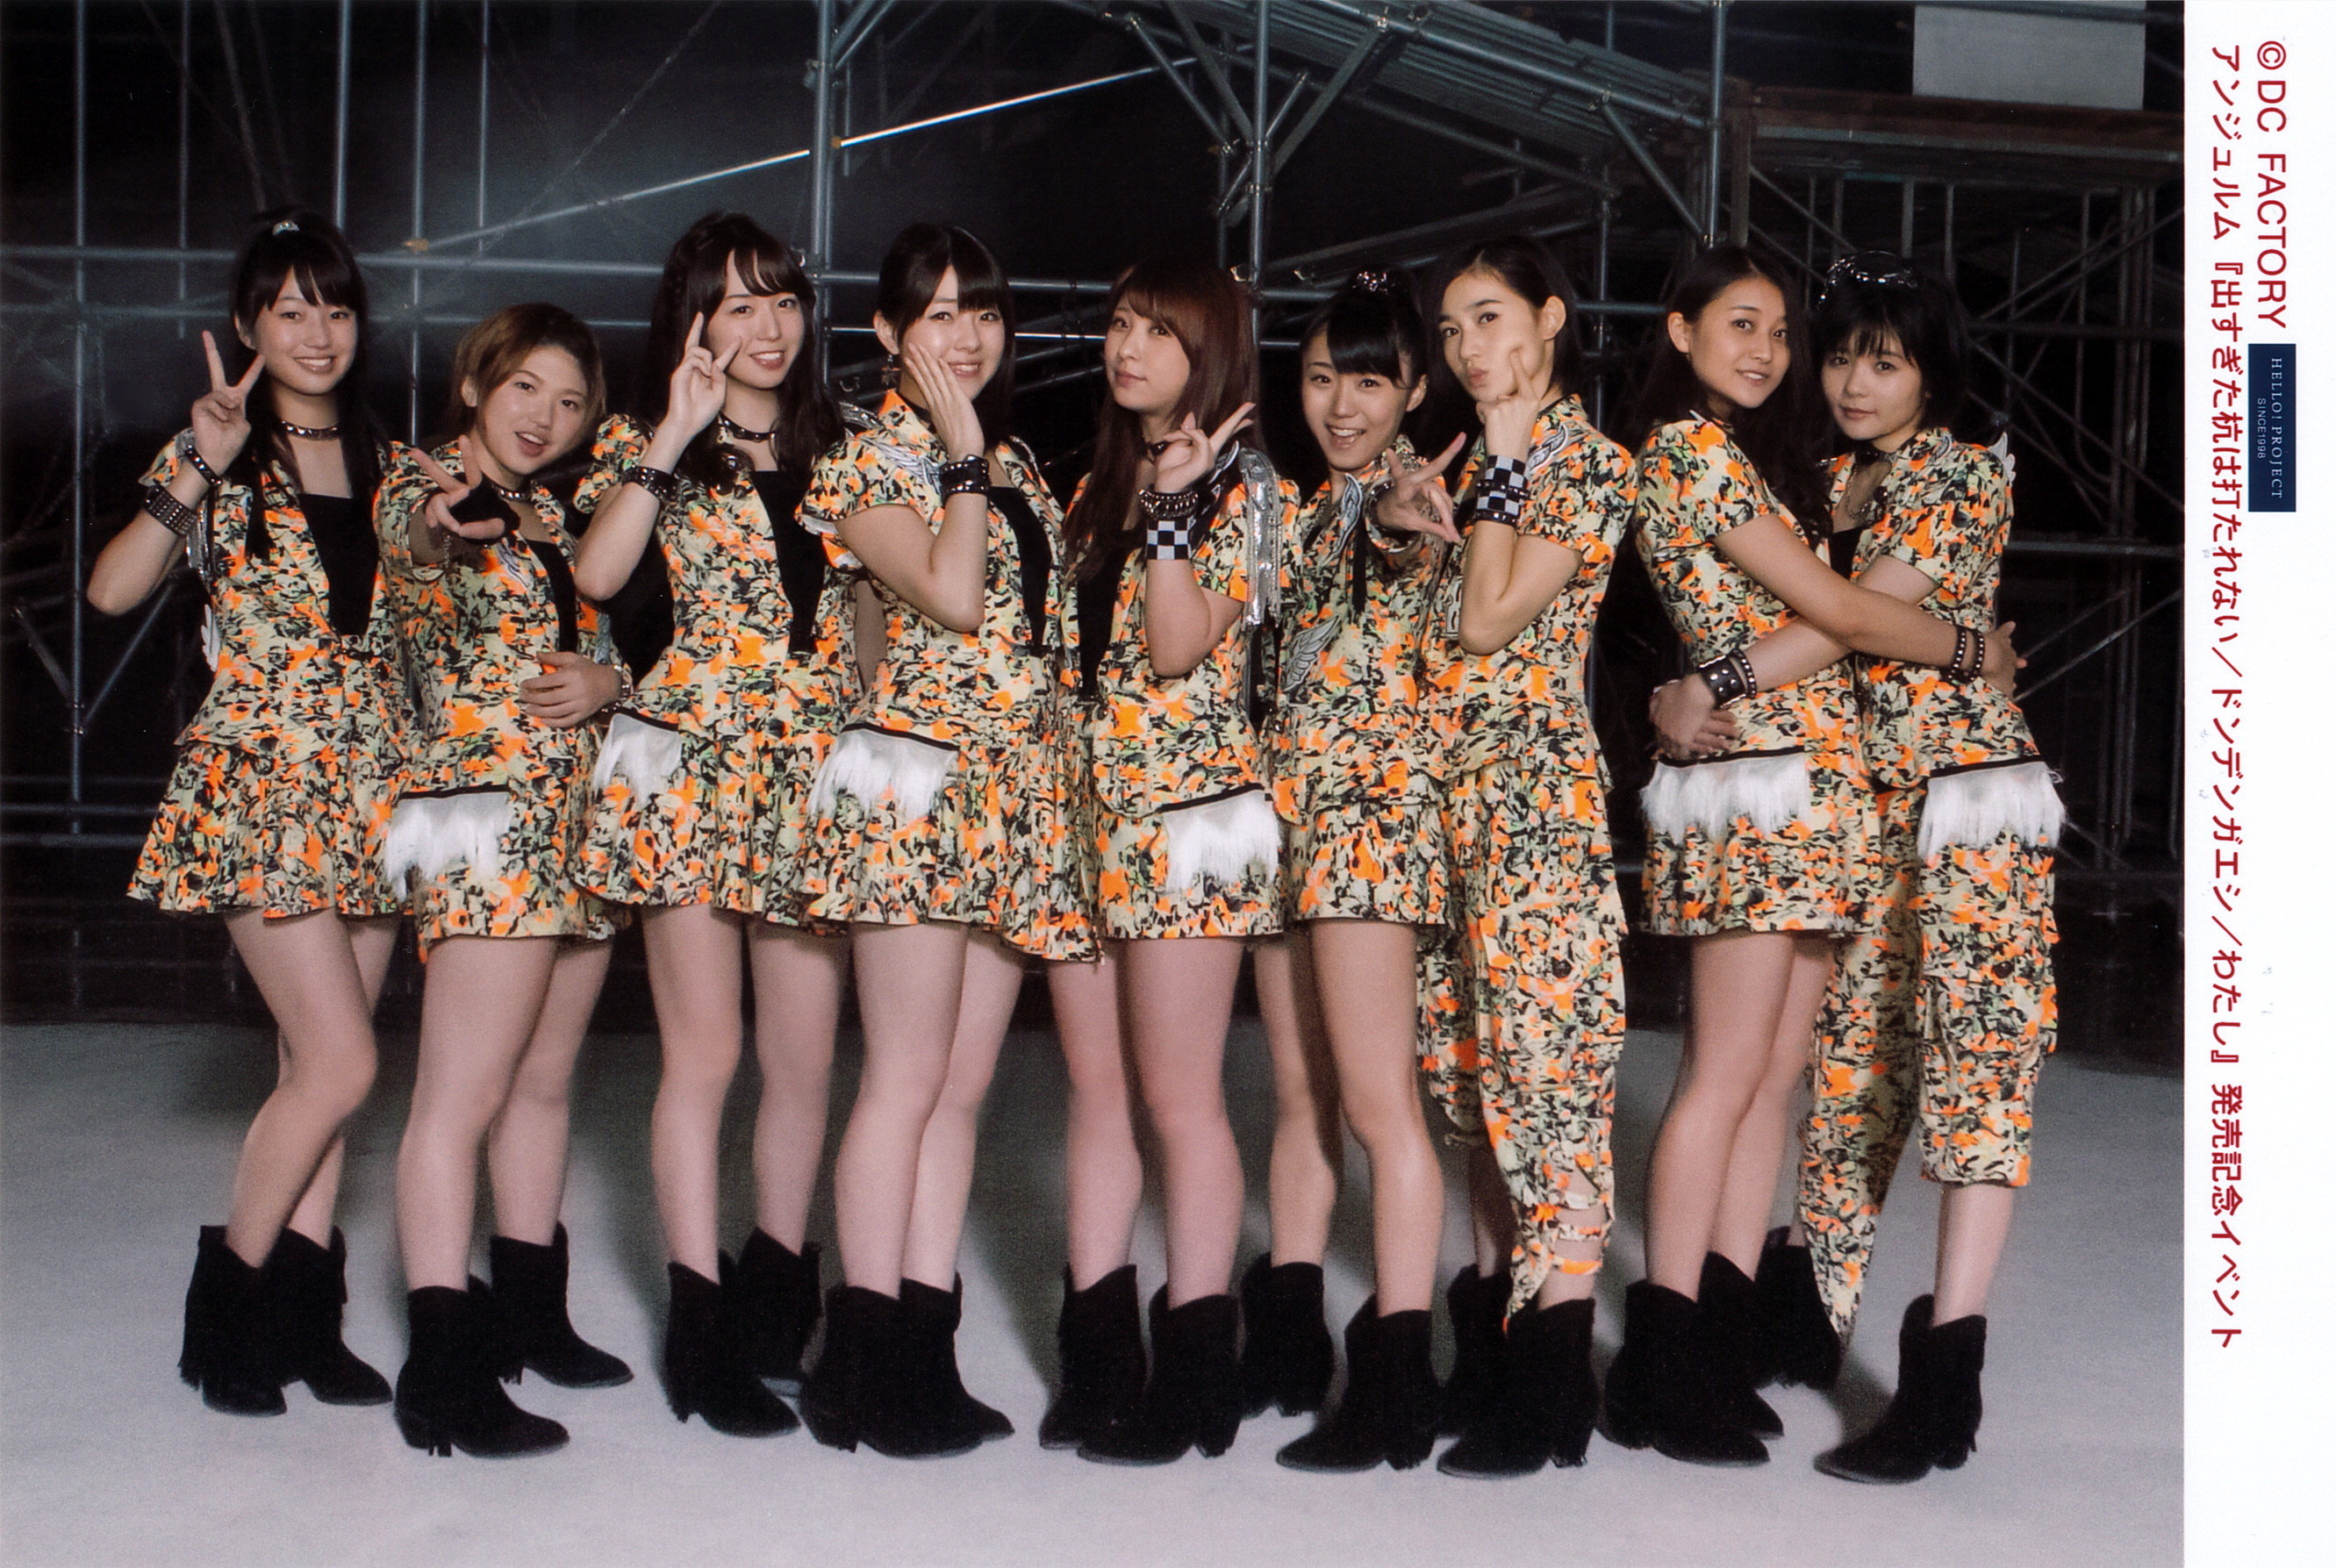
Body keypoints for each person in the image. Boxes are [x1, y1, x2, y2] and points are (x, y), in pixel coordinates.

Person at [1652, 253, 2057, 1482]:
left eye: (1885, 362)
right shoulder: (1825, 476)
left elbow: (1852, 620)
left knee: (1975, 1075)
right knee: (1849, 1077)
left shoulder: (1962, 467)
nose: (1853, 383)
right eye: (1839, 357)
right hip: (1861, 810)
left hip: (1968, 802)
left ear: (1933, 371)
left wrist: (1708, 684)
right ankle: (1798, 1321)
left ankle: (1945, 1383)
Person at [90, 210, 401, 1420]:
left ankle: (302, 1327)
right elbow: (113, 589)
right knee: (341, 1062)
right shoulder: (220, 452)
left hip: (375, 788)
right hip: (263, 786)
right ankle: (224, 1309)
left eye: (337, 308)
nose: (318, 333)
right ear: (246, 325)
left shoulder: (389, 462)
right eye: (290, 309)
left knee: (317, 1068)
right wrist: (197, 465)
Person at [792, 223, 1089, 1458]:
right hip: (914, 793)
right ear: (887, 333)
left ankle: (922, 1350)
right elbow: (951, 598)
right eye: (940, 314)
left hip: (1012, 794)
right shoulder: (867, 460)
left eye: (986, 313)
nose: (967, 337)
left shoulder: (1013, 460)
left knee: (961, 1089)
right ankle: (858, 1366)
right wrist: (962, 459)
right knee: (904, 1077)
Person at [570, 212, 856, 1436]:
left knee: (804, 1060)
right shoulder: (646, 444)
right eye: (739, 303)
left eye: (783, 298)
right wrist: (673, 435)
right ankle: (698, 1328)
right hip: (685, 773)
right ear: (693, 319)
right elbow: (596, 577)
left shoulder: (851, 445)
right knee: (706, 1055)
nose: (768, 325)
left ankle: (777, 1298)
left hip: (814, 777)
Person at [1362, 237, 1637, 1477]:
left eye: (1489, 317)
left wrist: (1505, 472)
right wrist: (1398, 517)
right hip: (1446, 814)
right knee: (1473, 1087)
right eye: (1452, 327)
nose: (1468, 346)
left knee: (1551, 1085)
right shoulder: (1469, 464)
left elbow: (1485, 620)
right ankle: (1491, 1347)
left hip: (1534, 811)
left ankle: (1552, 1381)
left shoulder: (1581, 460)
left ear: (1550, 318)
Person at [1047, 256, 1298, 1467]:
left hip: (1189, 821)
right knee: (1096, 1096)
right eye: (1119, 322)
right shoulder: (1096, 482)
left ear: (1213, 357)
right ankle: (1095, 1361)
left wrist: (1176, 511)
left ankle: (1199, 1372)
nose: (1127, 346)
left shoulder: (1250, 490)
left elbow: (1173, 644)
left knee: (1180, 1100)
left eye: (1159, 331)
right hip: (1086, 814)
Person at [373, 303, 629, 1457]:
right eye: (525, 387)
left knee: (542, 1082)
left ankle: (532, 1316)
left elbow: (597, 647)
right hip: (484, 823)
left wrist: (609, 685)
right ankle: (441, 1372)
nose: (546, 417)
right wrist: (441, 524)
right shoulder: (421, 483)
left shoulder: (557, 514)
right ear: (475, 384)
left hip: (574, 821)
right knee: (457, 1099)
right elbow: (421, 545)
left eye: (571, 402)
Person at [1243, 268, 1454, 1474]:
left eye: (1369, 381)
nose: (1340, 404)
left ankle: (1393, 1384)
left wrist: (1402, 515)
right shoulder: (1306, 505)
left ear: (1413, 389)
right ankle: (1287, 1346)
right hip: (1288, 825)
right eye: (1322, 377)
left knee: (1381, 1108)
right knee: (1298, 1094)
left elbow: (1405, 540)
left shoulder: (1403, 494)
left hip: (1369, 831)